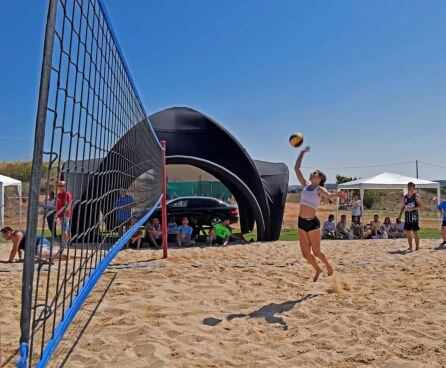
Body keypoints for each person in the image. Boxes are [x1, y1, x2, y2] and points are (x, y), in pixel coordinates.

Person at [294, 146, 346, 282]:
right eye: (313, 173)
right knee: (306, 255)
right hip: (301, 222)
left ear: (320, 178)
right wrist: (302, 152)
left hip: (312, 223)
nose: (312, 173)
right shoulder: (305, 185)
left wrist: (337, 195)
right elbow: (297, 169)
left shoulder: (319, 189)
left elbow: (329, 195)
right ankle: (318, 269)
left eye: (315, 173)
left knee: (316, 252)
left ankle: (328, 266)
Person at [1, 226, 65, 262]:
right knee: (41, 256)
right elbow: (18, 248)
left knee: (41, 254)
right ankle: (55, 254)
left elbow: (14, 250)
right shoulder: (14, 238)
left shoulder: (17, 234)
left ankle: (64, 256)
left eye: (3, 235)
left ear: (8, 232)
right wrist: (20, 258)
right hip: (38, 247)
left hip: (41, 242)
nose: (4, 237)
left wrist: (9, 261)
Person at [398, 182, 422, 251]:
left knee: (415, 232)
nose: (409, 187)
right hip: (407, 217)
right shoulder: (405, 197)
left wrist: (412, 208)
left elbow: (420, 206)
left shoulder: (416, 196)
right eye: (408, 186)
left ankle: (417, 247)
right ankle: (410, 247)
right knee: (408, 233)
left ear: (413, 187)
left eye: (410, 186)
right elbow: (403, 206)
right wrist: (400, 215)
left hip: (414, 217)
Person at [56, 181, 72, 250]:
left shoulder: (67, 194)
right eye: (59, 186)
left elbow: (69, 204)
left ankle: (65, 244)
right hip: (60, 214)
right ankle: (67, 242)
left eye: (61, 186)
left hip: (65, 214)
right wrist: (56, 214)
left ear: (65, 186)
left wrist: (65, 214)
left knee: (64, 229)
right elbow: (58, 204)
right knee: (66, 228)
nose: (60, 187)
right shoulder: (59, 194)